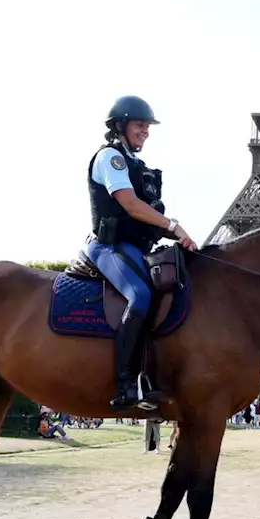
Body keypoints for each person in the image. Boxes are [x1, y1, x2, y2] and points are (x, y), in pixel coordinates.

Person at [84, 96, 198, 413]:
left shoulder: (138, 167)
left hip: (135, 247)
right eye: (140, 124)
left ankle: (153, 376)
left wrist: (179, 237)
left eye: (148, 126)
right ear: (120, 125)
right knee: (140, 295)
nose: (145, 131)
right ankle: (125, 385)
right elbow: (131, 205)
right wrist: (174, 226)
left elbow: (148, 215)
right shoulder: (111, 158)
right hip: (108, 246)